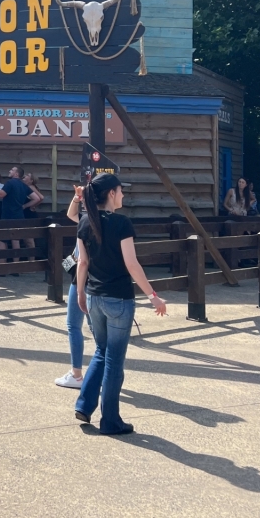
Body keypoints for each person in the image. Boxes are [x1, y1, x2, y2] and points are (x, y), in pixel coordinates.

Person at [74, 173, 168, 434]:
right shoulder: (122, 223)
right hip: (118, 298)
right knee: (114, 359)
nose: (123, 195)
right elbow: (131, 263)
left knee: (101, 351)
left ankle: (84, 404)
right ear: (111, 194)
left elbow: (82, 263)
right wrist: (153, 295)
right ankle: (111, 420)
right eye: (121, 191)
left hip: (93, 296)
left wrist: (81, 292)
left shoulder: (84, 222)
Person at [56, 184, 91, 389]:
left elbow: (72, 214)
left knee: (74, 326)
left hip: (82, 278)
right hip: (98, 279)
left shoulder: (86, 221)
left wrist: (79, 290)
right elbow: (71, 213)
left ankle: (76, 374)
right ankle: (101, 371)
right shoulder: (105, 220)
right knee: (96, 328)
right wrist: (78, 197)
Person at [0, 166, 40, 256]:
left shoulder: (10, 183)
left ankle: (3, 265)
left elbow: (0, 195)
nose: (9, 171)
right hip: (19, 215)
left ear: (16, 174)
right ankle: (16, 265)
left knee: (2, 239)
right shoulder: (23, 185)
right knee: (16, 240)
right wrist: (25, 206)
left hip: (7, 215)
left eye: (12, 170)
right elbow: (37, 198)